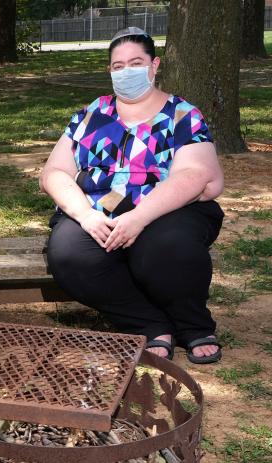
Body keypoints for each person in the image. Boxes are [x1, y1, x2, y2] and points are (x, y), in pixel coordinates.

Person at [40, 27, 225, 364]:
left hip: (167, 209)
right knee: (68, 254)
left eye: (136, 63)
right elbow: (53, 173)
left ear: (154, 66)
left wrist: (139, 218)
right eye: (118, 66)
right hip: (98, 206)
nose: (126, 72)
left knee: (162, 246)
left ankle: (192, 324)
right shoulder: (90, 116)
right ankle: (149, 323)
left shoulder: (183, 115)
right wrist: (85, 215)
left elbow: (197, 176)